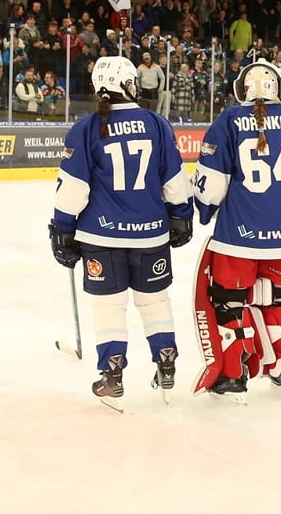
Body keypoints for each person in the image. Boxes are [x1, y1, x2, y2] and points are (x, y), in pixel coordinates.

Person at [48, 56, 194, 403]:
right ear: (129, 84)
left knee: (109, 307)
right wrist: (181, 214)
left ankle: (112, 374)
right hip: (151, 235)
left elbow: (73, 189)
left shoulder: (85, 129)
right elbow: (174, 180)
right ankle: (166, 360)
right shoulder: (157, 124)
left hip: (101, 237)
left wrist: (63, 228)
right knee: (154, 301)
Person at [192, 59, 281, 398]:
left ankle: (233, 372)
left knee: (229, 301)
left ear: (242, 89)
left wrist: (203, 209)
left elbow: (210, 187)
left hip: (238, 238)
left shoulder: (229, 120)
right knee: (280, 296)